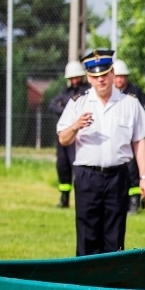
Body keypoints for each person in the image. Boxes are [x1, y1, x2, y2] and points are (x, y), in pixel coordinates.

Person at [56, 49, 145, 256]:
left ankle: (112, 283)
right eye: (95, 76)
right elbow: (63, 138)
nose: (100, 80)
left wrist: (144, 177)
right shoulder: (77, 103)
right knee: (87, 234)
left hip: (117, 176)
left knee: (115, 234)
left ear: (112, 74)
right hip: (87, 176)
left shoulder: (129, 103)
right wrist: (76, 126)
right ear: (88, 78)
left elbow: (139, 141)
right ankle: (86, 283)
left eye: (104, 75)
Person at [113, 58, 145, 214]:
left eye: (122, 76)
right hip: (118, 140)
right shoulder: (111, 96)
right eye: (116, 76)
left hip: (133, 138)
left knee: (133, 170)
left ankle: (134, 202)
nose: (119, 79)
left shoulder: (135, 93)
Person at [49, 61, 90, 208]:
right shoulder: (65, 93)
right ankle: (64, 198)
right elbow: (52, 105)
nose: (74, 80)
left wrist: (67, 110)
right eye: (71, 78)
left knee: (77, 167)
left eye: (76, 77)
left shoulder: (87, 91)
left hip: (79, 136)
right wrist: (68, 112)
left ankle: (82, 198)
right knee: (62, 166)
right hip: (64, 135)